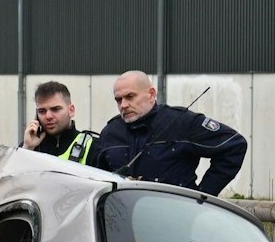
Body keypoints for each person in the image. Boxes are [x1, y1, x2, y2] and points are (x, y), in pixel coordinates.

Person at [90, 70, 247, 195]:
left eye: (130, 96)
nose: (123, 104)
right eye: (119, 99)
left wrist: (203, 195)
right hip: (123, 222)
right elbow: (102, 178)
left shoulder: (181, 122)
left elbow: (234, 145)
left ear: (151, 94)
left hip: (176, 220)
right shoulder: (110, 132)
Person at [22, 80, 100, 164]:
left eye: (55, 109)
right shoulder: (29, 145)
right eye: (42, 111)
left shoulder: (93, 147)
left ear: (71, 110)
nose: (48, 116)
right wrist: (27, 148)